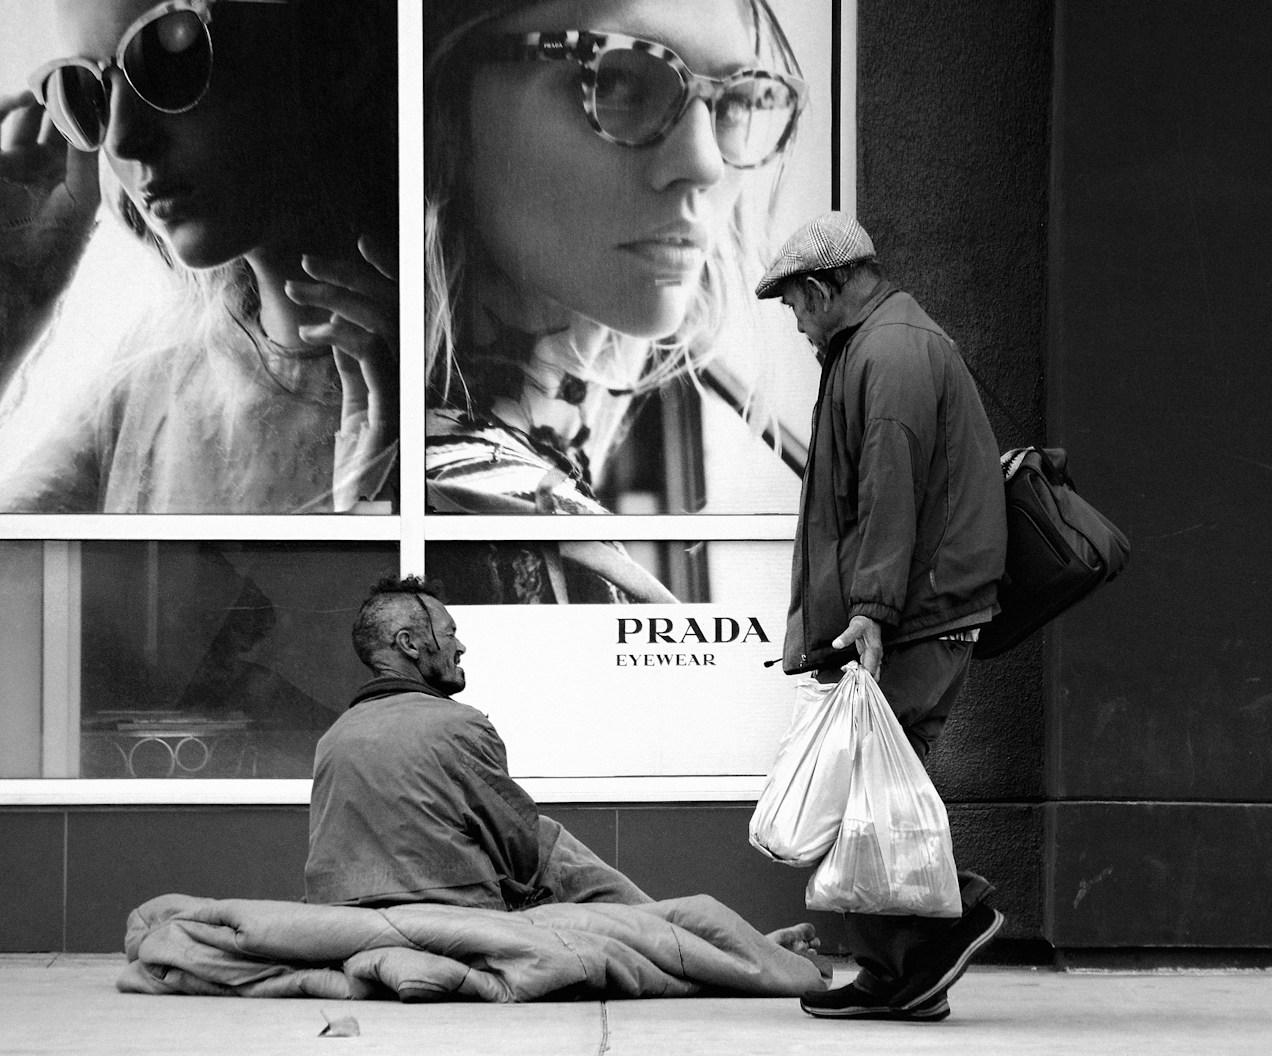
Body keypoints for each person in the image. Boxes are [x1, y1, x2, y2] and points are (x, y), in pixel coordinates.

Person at [421, 0, 809, 599]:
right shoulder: (500, 526)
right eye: (617, 80)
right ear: (442, 100)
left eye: (737, 101)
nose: (705, 164)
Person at [0, 0, 397, 513]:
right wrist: (2, 308)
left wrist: (380, 510)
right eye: (85, 93)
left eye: (169, 58)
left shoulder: (463, 384)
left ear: (338, 51)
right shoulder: (144, 390)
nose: (122, 139)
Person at [306, 573, 827, 973]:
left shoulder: (334, 739)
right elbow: (521, 851)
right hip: (457, 919)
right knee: (549, 842)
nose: (461, 647)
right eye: (450, 634)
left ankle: (710, 940)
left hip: (346, 921)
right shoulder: (457, 725)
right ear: (409, 644)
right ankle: (719, 945)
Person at [755, 211, 1009, 1021]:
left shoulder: (891, 351)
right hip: (912, 611)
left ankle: (945, 921)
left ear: (822, 288)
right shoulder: (872, 344)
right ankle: (902, 973)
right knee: (870, 790)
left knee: (863, 786)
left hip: (911, 616)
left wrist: (870, 609)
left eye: (795, 305)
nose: (796, 323)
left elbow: (888, 490)